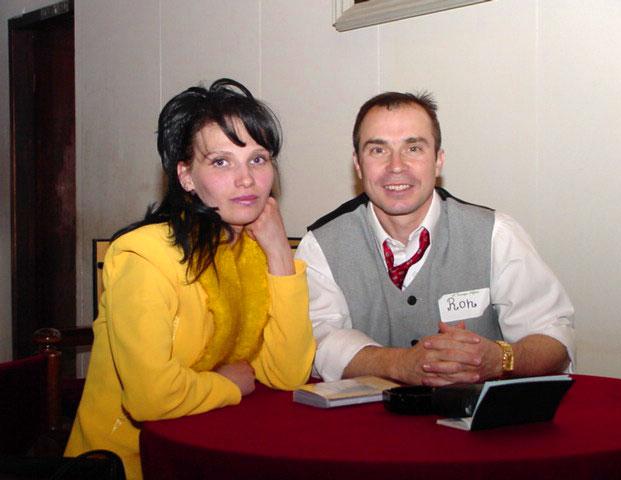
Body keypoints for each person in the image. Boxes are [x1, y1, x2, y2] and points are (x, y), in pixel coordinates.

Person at [65, 78, 315, 479]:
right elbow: (149, 398)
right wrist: (227, 384)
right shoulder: (143, 255)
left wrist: (280, 255)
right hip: (126, 464)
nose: (246, 179)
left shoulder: (252, 252)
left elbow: (287, 375)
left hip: (217, 452)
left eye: (258, 159)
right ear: (186, 176)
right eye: (221, 162)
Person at [295, 90, 575, 387]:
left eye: (413, 148)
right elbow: (318, 341)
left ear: (438, 161)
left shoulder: (496, 234)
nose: (396, 166)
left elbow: (554, 338)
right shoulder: (320, 246)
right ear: (358, 164)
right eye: (378, 150)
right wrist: (400, 364)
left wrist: (500, 359)